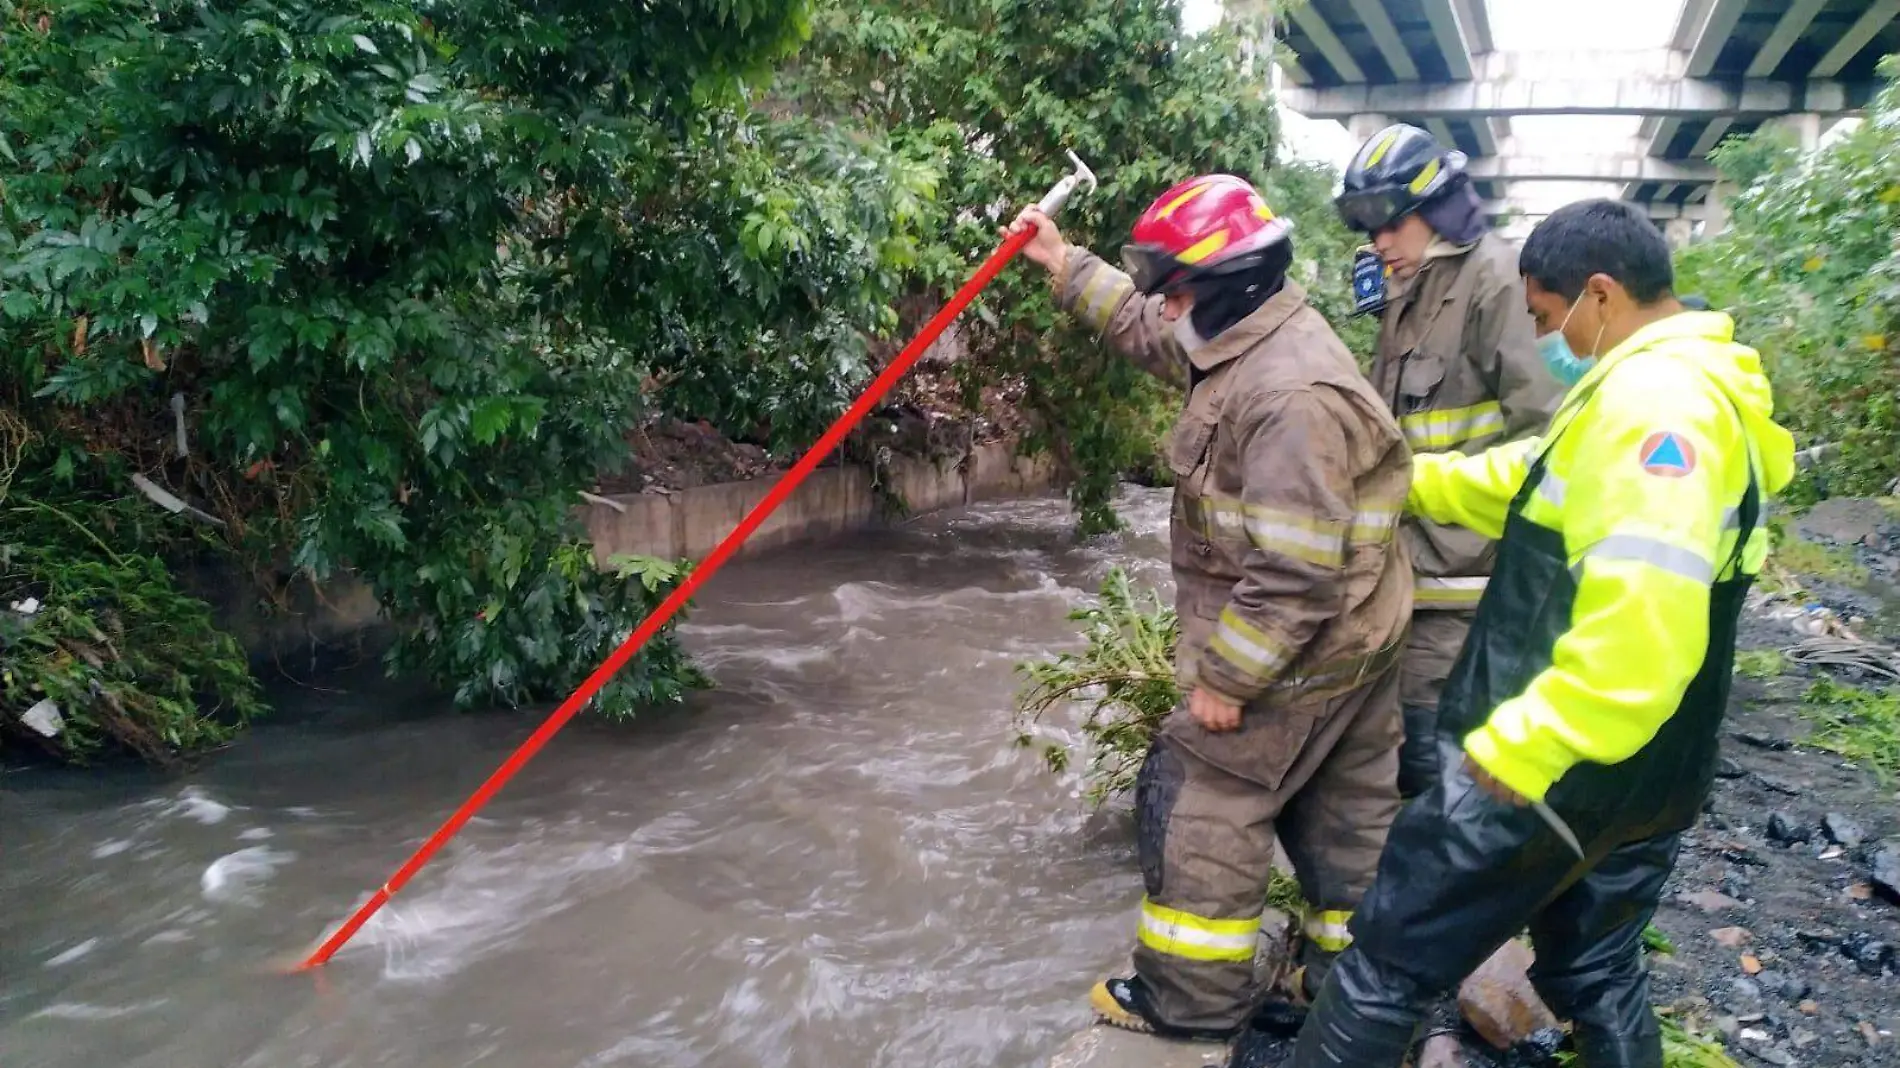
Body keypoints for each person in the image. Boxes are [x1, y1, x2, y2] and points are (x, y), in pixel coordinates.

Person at [1284, 199, 1796, 1068]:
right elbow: (1530, 477)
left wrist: (1524, 745)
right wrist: (1403, 481)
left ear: (1601, 294)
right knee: (1596, 964)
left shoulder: (1657, 408)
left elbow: (1644, 627)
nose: (1547, 337)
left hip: (1556, 764)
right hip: (1656, 768)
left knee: (1389, 955)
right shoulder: (1671, 391)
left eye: (1548, 317)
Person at [1003, 175, 1414, 1041]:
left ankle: (1190, 1005)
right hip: (1360, 637)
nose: (1169, 305)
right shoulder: (1254, 335)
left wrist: (1228, 679)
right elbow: (1150, 330)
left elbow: (1295, 573)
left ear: (1222, 287)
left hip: (1301, 646)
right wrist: (1059, 260)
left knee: (1205, 802)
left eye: (1179, 288)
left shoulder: (1289, 397)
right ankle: (1348, 987)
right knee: (1348, 818)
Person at [1334, 122, 1564, 803]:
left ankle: (1453, 902)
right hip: (1404, 576)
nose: (1377, 243)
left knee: (1438, 768)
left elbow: (1550, 444)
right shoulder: (1407, 289)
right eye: (1364, 225)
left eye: (1387, 224)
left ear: (1434, 208)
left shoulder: (1497, 284)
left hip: (1465, 592)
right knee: (1399, 759)